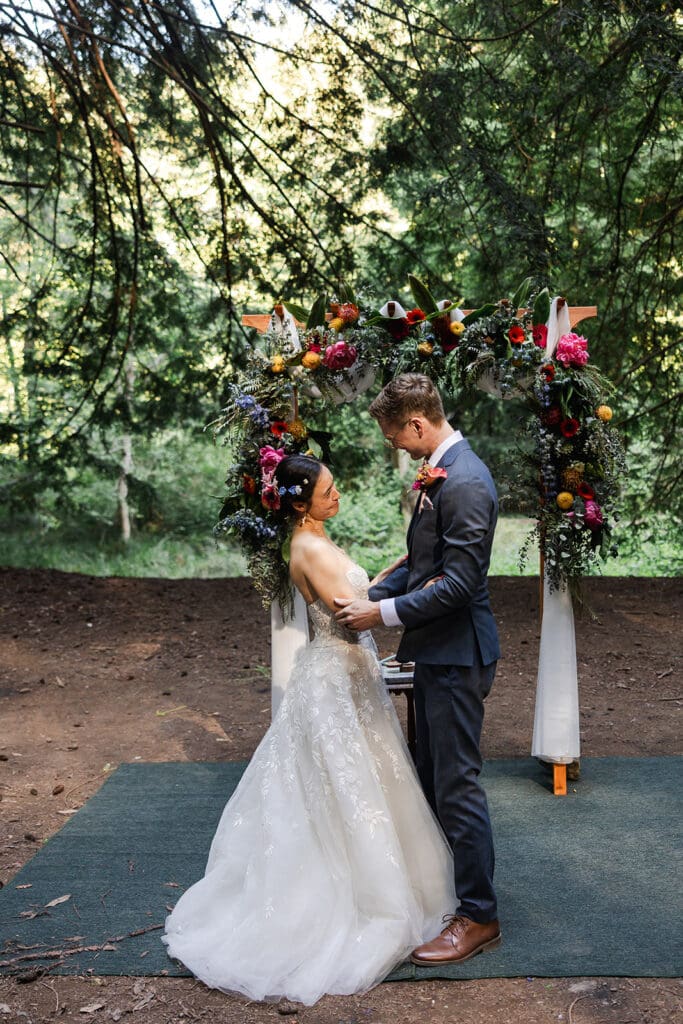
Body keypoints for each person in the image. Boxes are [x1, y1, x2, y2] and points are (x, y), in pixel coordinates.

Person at [162, 454, 455, 1005]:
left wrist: (392, 571)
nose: (337, 494)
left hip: (350, 676)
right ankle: (359, 901)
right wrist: (412, 596)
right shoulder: (307, 547)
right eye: (328, 490)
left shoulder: (314, 537)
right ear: (301, 503)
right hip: (336, 682)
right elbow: (350, 612)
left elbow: (352, 592)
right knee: (343, 789)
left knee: (367, 783)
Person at [334, 373, 502, 965]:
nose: (395, 447)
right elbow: (426, 561)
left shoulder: (467, 483)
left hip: (458, 655)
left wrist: (381, 612)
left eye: (394, 436)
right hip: (434, 652)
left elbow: (459, 583)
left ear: (417, 423)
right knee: (432, 778)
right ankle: (446, 897)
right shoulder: (441, 473)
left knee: (457, 787)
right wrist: (372, 588)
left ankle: (479, 916)